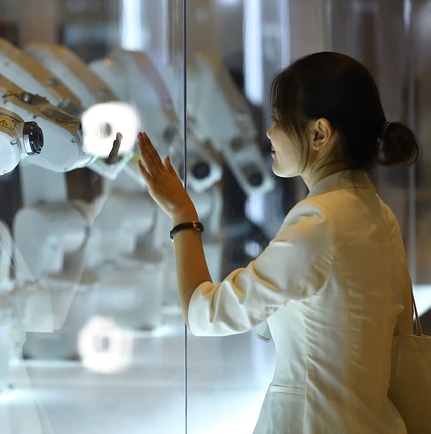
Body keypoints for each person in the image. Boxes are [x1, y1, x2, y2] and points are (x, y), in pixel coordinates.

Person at [136, 51, 419, 434]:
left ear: (319, 133)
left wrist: (182, 216)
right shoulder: (379, 214)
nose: (269, 133)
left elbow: (205, 314)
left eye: (278, 120)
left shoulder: (317, 221)